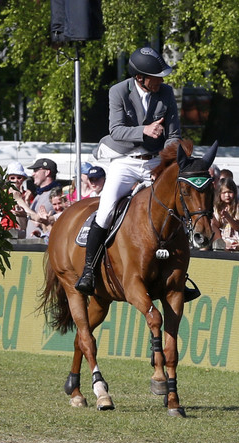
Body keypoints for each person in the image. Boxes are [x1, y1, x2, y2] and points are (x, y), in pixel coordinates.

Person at [76, 46, 181, 295]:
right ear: (140, 78)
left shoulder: (166, 93)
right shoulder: (119, 91)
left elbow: (173, 135)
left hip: (155, 160)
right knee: (106, 210)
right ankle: (89, 270)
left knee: (174, 207)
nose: (161, 81)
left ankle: (179, 276)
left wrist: (168, 158)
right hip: (125, 160)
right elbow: (117, 130)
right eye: (156, 77)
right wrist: (144, 130)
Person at [25, 157, 61, 238]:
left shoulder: (54, 195)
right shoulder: (39, 194)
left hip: (43, 246)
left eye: (36, 170)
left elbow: (39, 218)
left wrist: (19, 200)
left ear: (47, 172)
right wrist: (26, 202)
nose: (32, 174)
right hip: (31, 245)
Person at [212, 177, 239, 247]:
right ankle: (219, 243)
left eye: (230, 192)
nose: (227, 195)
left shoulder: (238, 206)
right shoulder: (216, 207)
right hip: (222, 236)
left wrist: (228, 217)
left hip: (235, 237)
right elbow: (216, 225)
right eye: (224, 192)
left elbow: (237, 227)